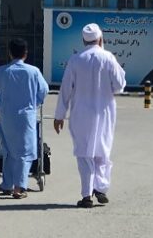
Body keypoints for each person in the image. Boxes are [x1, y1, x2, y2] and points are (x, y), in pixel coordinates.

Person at [54, 23, 126, 208]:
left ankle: (86, 195)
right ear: (101, 39)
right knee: (102, 150)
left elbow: (65, 89)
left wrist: (59, 115)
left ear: (83, 40)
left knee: (84, 153)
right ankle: (101, 188)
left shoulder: (75, 60)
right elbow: (119, 86)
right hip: (104, 113)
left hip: (81, 114)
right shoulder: (108, 58)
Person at [0, 38, 49, 199]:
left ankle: (7, 184)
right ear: (25, 54)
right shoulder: (33, 71)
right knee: (24, 151)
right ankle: (19, 187)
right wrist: (36, 102)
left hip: (6, 116)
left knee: (9, 150)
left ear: (10, 53)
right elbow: (44, 90)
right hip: (26, 116)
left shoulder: (1, 71)